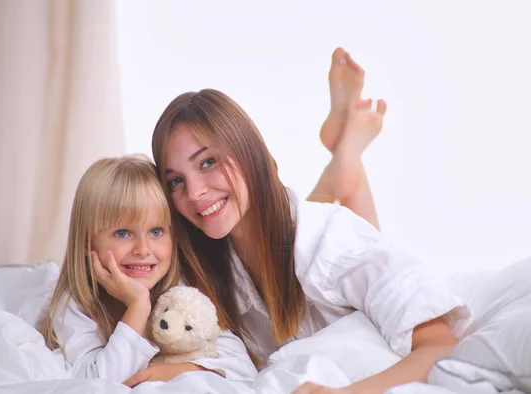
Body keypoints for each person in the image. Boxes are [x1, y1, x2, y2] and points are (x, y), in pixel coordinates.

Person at [150, 48, 470, 393]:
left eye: (207, 162)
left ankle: (345, 162)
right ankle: (344, 160)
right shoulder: (210, 270)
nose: (194, 192)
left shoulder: (330, 241)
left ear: (247, 149)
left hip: (332, 256)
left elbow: (441, 346)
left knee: (340, 247)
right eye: (176, 181)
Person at [41, 155, 257, 386]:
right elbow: (97, 383)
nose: (143, 250)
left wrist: (183, 369)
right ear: (86, 242)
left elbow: (243, 366)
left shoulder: (179, 288)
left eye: (156, 232)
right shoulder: (75, 305)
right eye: (122, 233)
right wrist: (138, 306)